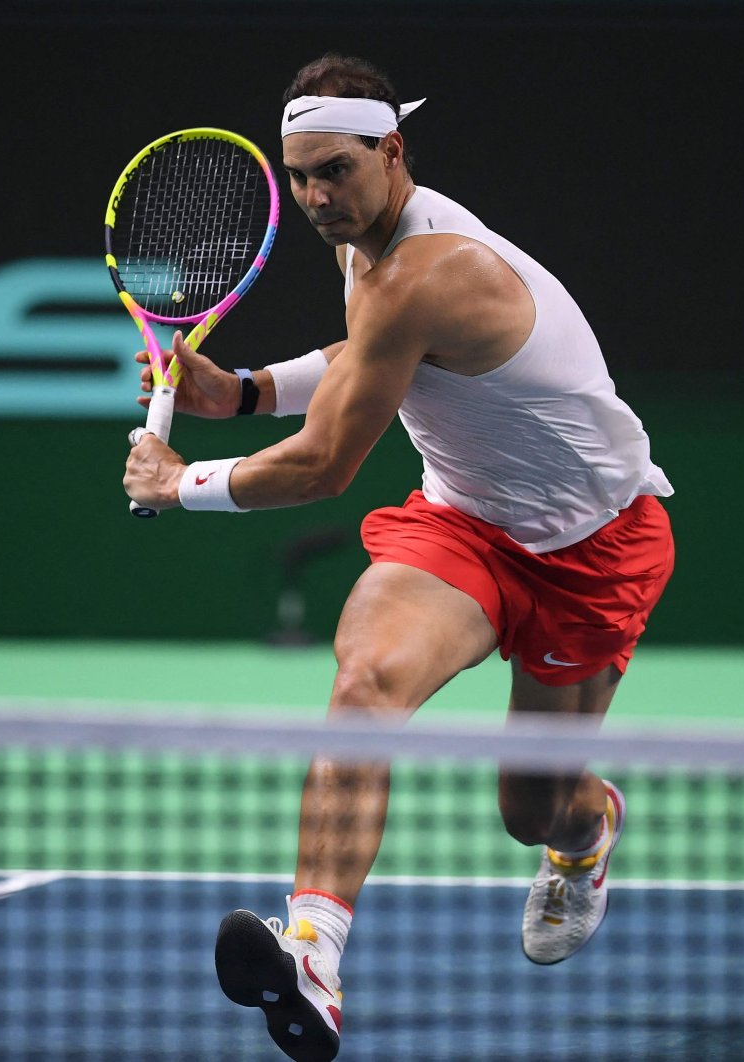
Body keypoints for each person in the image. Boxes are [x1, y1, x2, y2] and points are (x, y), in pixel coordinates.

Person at [123, 54, 675, 1062]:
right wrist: (239, 391)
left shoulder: (431, 270)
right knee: (364, 680)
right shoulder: (363, 249)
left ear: (393, 151)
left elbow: (328, 463)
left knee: (530, 807)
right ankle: (313, 960)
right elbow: (364, 358)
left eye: (335, 170)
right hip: (462, 524)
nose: (316, 196)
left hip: (592, 544)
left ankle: (585, 833)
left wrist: (181, 481)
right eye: (299, 177)